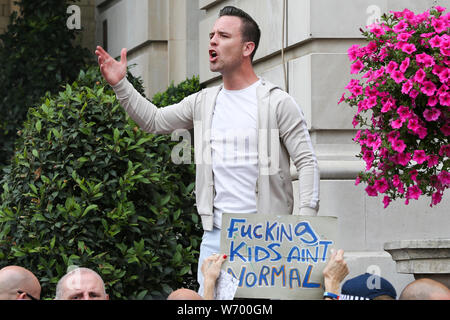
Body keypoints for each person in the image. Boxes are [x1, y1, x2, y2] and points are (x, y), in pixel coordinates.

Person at [95, 5, 320, 290]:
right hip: (214, 236)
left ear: (247, 47)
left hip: (267, 236)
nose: (212, 40)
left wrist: (305, 226)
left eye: (223, 36)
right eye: (211, 34)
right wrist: (121, 85)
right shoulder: (203, 101)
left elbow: (308, 162)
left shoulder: (277, 102)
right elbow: (153, 120)